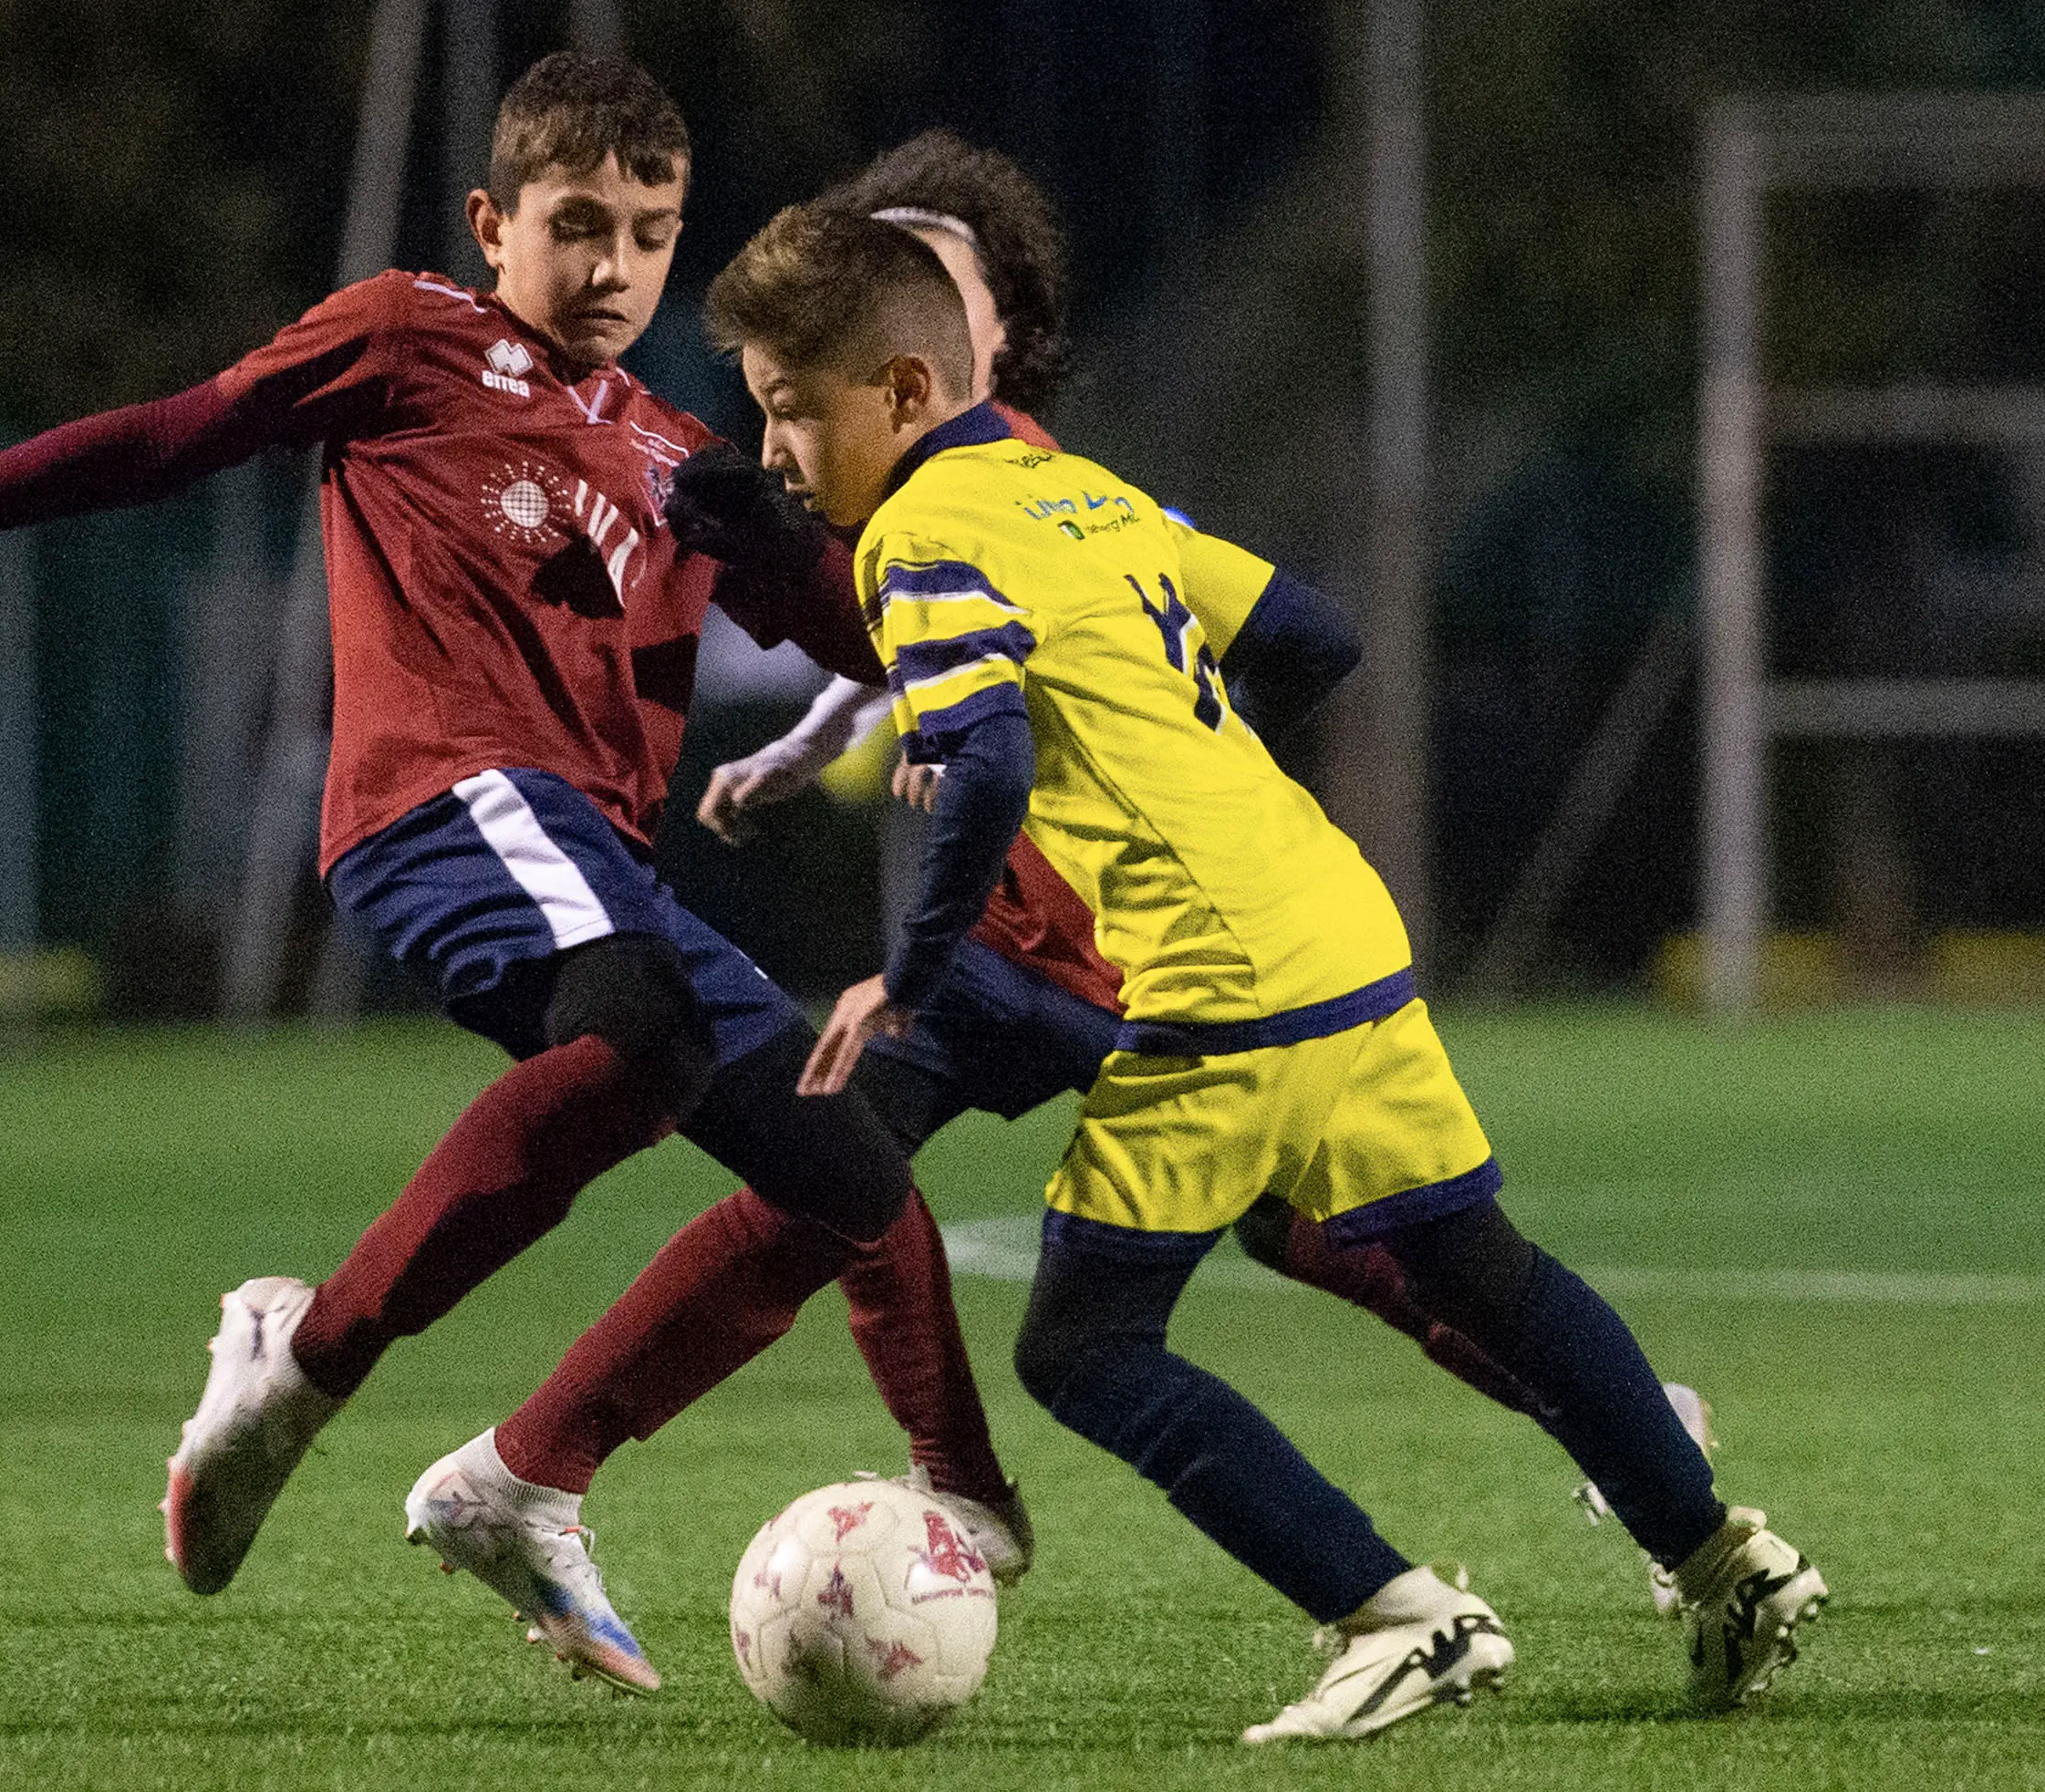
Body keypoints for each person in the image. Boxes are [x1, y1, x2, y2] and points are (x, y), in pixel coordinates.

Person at [0, 54, 1022, 1695]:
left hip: (599, 869)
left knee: (849, 1173)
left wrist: (782, 548)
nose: (609, 269)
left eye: (648, 234)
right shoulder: (408, 336)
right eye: (574, 225)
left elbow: (865, 640)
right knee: (647, 1029)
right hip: (440, 805)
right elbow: (180, 434)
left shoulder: (673, 451)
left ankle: (535, 1485)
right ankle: (297, 1365)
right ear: (489, 222)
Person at [707, 204, 1826, 1742]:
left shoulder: (913, 534)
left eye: (787, 409)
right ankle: (1723, 1560)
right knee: (1471, 1264)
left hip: (1216, 978)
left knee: (1083, 1345)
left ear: (901, 393)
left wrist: (903, 972)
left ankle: (1395, 1620)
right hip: (1336, 927)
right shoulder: (1074, 490)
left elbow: (975, 767)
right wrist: (1206, 782)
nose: (770, 451)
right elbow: (1308, 634)